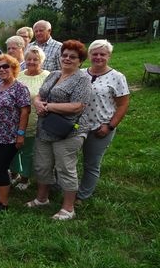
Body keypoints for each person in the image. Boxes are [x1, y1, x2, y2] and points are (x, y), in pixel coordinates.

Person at [28, 40, 92, 220]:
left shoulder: (82, 79)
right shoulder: (54, 74)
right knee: (42, 166)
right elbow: (40, 94)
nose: (67, 59)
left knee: (65, 168)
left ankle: (68, 208)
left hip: (68, 131)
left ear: (80, 61)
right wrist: (38, 102)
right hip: (46, 128)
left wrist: (47, 107)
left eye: (73, 57)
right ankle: (42, 199)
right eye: (64, 55)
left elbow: (78, 106)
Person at [77, 40, 129, 201]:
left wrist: (110, 126)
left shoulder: (117, 77)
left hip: (100, 127)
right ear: (89, 55)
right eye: (95, 54)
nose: (98, 57)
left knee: (91, 164)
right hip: (77, 125)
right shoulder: (81, 73)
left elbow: (123, 104)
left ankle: (83, 195)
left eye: (102, 54)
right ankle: (64, 187)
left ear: (109, 56)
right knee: (67, 159)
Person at [0, 54, 30, 212]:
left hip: (9, 136)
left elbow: (25, 112)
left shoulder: (20, 88)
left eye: (6, 66)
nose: (2, 69)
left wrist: (20, 134)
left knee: (0, 167)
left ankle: (3, 203)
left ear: (14, 68)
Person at [9, 46, 50, 190]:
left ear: (41, 61)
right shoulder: (18, 75)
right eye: (28, 59)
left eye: (35, 59)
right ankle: (14, 174)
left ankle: (25, 178)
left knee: (28, 151)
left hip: (36, 120)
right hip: (16, 120)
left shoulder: (48, 76)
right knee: (13, 148)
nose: (31, 62)